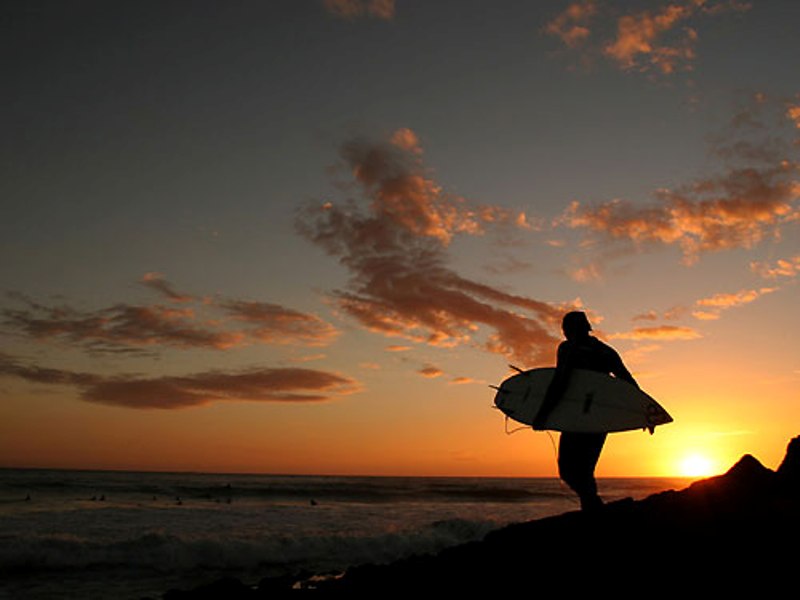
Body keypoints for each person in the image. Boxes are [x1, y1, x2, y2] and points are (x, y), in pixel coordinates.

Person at [532, 311, 638, 511]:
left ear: (571, 330)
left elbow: (560, 383)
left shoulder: (568, 349)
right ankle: (591, 506)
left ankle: (593, 507)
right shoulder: (606, 352)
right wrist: (643, 414)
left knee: (568, 470)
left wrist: (543, 414)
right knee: (584, 469)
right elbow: (628, 382)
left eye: (566, 329)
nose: (565, 333)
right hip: (599, 418)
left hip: (578, 418)